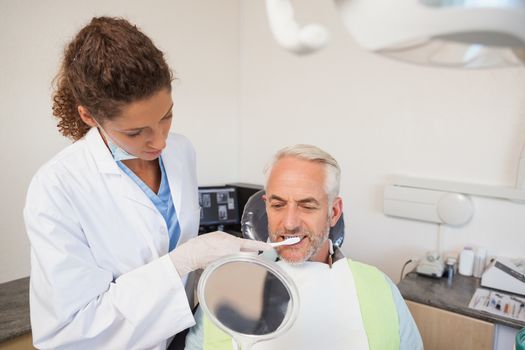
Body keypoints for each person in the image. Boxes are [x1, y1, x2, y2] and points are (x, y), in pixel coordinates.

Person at [23, 17, 270, 350]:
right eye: (135, 132)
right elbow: (70, 332)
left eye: (166, 115)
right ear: (88, 116)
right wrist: (183, 260)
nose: (159, 142)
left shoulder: (181, 151)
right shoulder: (57, 187)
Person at [185, 144, 423, 350]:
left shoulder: (378, 288)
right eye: (278, 205)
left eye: (307, 206)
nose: (289, 223)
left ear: (334, 212)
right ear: (266, 207)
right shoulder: (230, 286)